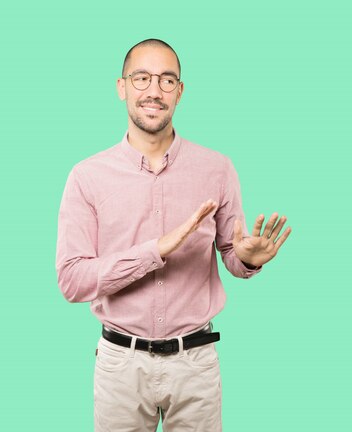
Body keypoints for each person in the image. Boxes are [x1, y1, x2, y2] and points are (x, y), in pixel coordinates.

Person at [55, 38, 292, 431]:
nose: (154, 90)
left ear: (180, 91)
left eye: (167, 80)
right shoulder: (87, 177)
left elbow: (232, 254)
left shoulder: (217, 169)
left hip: (195, 363)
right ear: (122, 87)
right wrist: (155, 251)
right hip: (120, 366)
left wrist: (248, 258)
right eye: (142, 78)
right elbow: (72, 280)